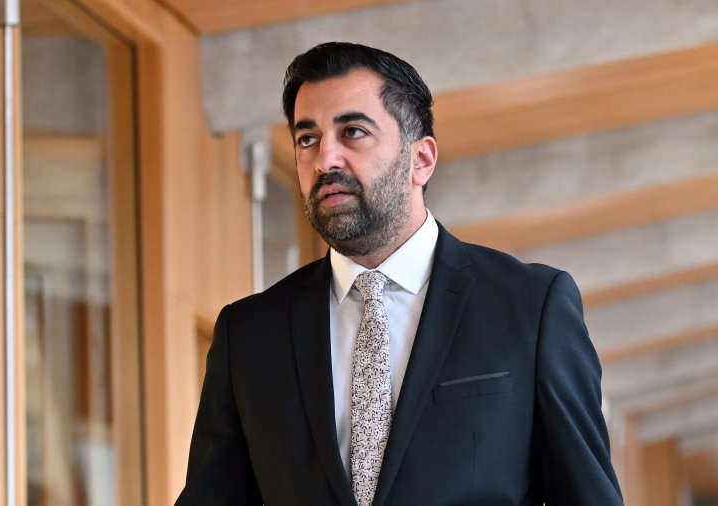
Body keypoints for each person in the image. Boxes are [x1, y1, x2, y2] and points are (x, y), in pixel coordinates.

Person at [175, 42, 624, 506]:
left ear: (421, 159)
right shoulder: (249, 334)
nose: (325, 159)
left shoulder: (531, 306)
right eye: (307, 138)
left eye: (352, 132)